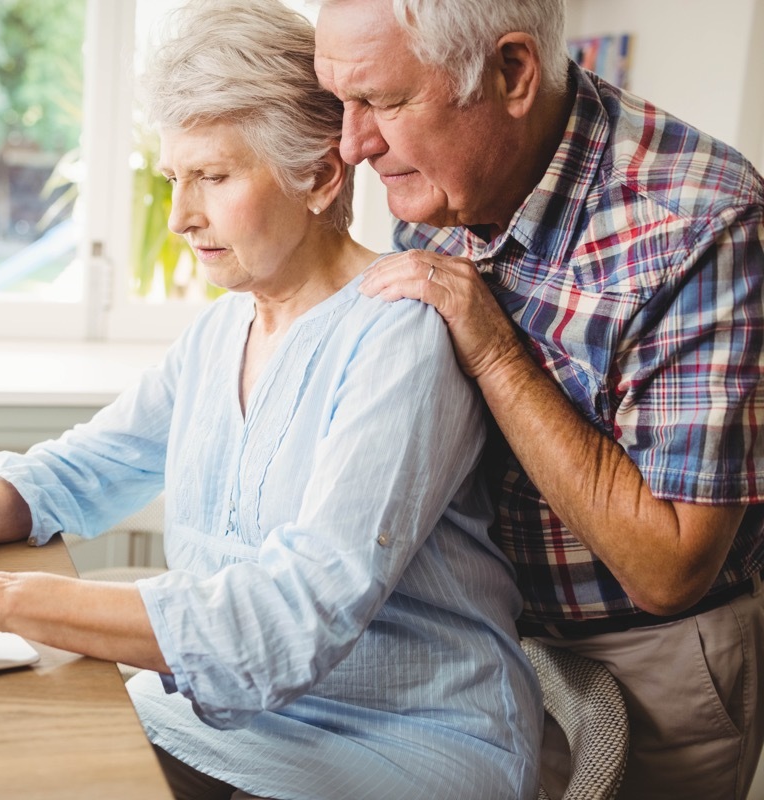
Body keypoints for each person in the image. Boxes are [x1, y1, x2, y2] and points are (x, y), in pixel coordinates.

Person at [0, 1, 540, 797]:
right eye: (174, 178)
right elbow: (84, 469)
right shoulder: (223, 329)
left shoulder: (401, 334)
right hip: (221, 722)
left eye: (215, 176)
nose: (180, 218)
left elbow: (289, 618)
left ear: (320, 176)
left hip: (399, 746)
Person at [312, 1, 764, 797]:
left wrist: (495, 349)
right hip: (487, 642)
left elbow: (670, 567)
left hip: (647, 659)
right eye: (340, 103)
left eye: (382, 101)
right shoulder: (438, 179)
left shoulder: (701, 224)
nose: (355, 144)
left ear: (512, 72)